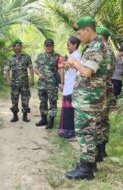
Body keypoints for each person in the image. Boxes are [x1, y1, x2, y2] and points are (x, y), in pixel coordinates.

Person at [65, 16, 107, 180]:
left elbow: (87, 72)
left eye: (80, 33)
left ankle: (86, 170)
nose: (79, 37)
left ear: (88, 30)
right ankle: (88, 164)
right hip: (91, 98)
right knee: (91, 133)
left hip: (89, 99)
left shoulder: (96, 46)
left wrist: (74, 63)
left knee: (86, 133)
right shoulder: (96, 45)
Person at [34, 39, 64, 129]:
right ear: (44, 46)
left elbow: (61, 69)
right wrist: (39, 74)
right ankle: (43, 119)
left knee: (53, 102)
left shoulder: (58, 56)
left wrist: (61, 82)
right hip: (42, 84)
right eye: (47, 46)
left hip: (52, 84)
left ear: (53, 46)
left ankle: (51, 121)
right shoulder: (40, 56)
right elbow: (36, 67)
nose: (48, 47)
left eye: (50, 46)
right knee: (43, 102)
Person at [96, 26, 116, 161]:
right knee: (104, 120)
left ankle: (97, 152)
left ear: (100, 36)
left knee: (97, 120)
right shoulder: (111, 51)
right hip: (108, 88)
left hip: (99, 89)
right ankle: (103, 150)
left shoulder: (100, 49)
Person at [4, 39, 34, 122]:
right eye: (15, 46)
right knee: (14, 99)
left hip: (24, 82)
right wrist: (8, 80)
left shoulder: (26, 57)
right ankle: (15, 116)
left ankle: (25, 116)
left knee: (25, 99)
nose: (17, 47)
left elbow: (31, 68)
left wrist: (32, 78)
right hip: (14, 83)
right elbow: (7, 69)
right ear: (13, 48)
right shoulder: (10, 58)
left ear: (21, 46)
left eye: (18, 45)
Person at [58, 36, 81, 139]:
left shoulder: (77, 55)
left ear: (75, 45)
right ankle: (66, 130)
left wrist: (66, 63)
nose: (67, 47)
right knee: (67, 110)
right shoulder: (71, 55)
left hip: (72, 87)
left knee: (69, 111)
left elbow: (76, 68)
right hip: (68, 86)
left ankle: (69, 132)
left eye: (69, 45)